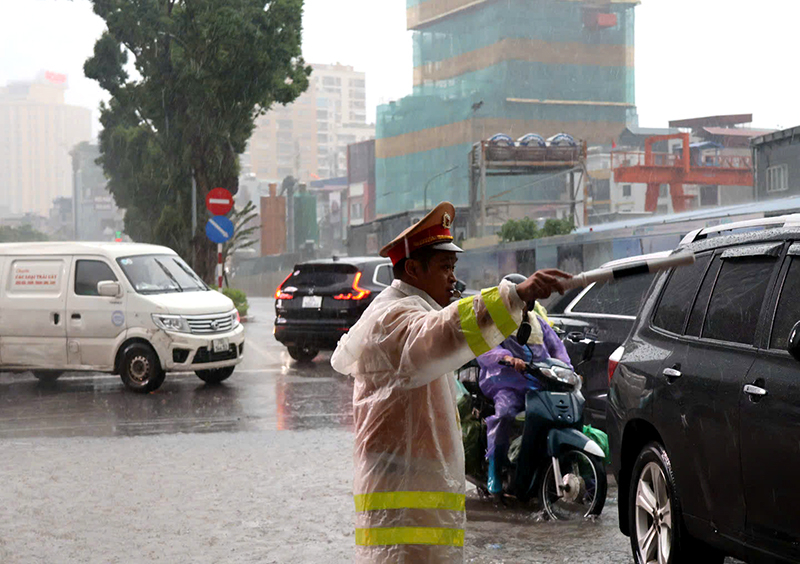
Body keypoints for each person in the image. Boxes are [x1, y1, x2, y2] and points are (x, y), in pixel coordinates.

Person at [331, 202, 570, 563]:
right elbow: (444, 331)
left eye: (454, 268)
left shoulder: (407, 309)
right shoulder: (393, 317)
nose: (453, 279)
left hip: (415, 509)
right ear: (413, 269)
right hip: (404, 517)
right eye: (445, 267)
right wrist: (514, 296)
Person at [475, 273, 573, 495]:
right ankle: (495, 467)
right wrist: (508, 358)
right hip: (506, 383)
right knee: (505, 414)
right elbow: (485, 349)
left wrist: (568, 371)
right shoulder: (497, 321)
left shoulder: (538, 323)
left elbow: (557, 350)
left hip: (539, 383)